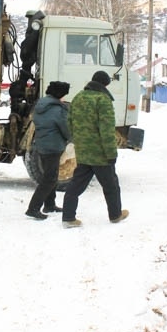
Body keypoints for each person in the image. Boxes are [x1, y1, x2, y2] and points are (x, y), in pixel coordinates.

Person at [61, 71, 128, 228]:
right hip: (100, 154)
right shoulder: (103, 100)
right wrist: (111, 153)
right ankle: (115, 215)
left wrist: (80, 142)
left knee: (76, 185)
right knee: (111, 185)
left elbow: (69, 123)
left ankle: (68, 217)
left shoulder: (78, 97)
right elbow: (107, 130)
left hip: (83, 152)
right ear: (105, 84)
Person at [25, 80, 71, 220]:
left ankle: (50, 205)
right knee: (50, 179)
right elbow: (65, 129)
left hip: (42, 145)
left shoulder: (41, 106)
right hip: (53, 146)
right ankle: (33, 208)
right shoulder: (57, 109)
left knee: (50, 175)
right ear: (60, 94)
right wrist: (70, 137)